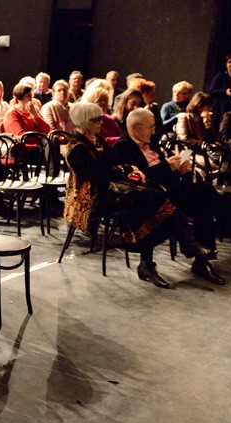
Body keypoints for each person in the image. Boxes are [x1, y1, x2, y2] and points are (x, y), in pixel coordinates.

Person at [112, 108, 231, 285]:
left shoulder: (151, 141)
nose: (154, 131)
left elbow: (165, 175)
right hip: (146, 198)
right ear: (135, 127)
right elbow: (138, 181)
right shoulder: (122, 148)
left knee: (205, 197)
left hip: (168, 190)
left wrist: (180, 170)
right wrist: (168, 167)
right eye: (150, 127)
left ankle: (205, 259)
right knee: (203, 196)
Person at [62, 103, 210, 288]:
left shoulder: (96, 139)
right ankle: (184, 244)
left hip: (113, 190)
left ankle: (152, 260)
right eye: (96, 119)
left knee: (154, 202)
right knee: (153, 201)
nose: (101, 122)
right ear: (84, 122)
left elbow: (111, 165)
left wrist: (124, 170)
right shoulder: (76, 148)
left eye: (101, 117)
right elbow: (97, 176)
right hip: (92, 199)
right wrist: (124, 170)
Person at [209, 54, 231, 130]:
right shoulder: (220, 76)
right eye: (229, 62)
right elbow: (212, 91)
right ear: (226, 64)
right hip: (221, 108)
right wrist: (225, 92)